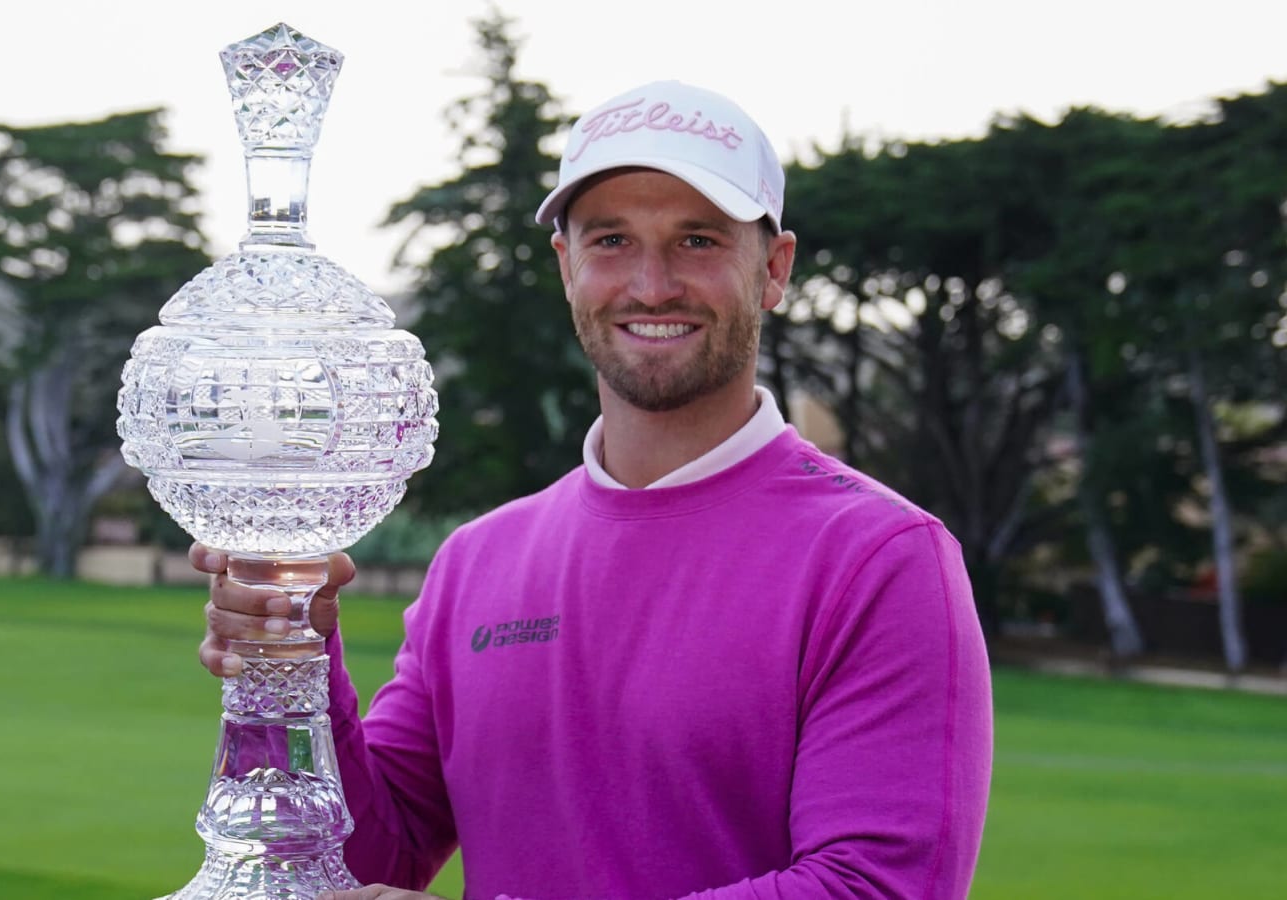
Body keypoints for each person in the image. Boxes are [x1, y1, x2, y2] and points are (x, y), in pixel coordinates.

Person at [194, 79, 993, 899]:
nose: (651, 286)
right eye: (611, 239)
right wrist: (290, 661)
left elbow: (875, 887)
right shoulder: (479, 561)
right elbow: (374, 859)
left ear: (774, 270)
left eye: (698, 241)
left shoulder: (882, 560)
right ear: (566, 265)